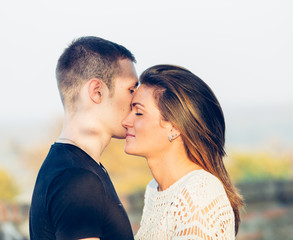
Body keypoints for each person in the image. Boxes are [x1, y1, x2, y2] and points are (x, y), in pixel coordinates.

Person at [29, 36, 138, 240]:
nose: (137, 100)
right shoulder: (77, 181)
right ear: (97, 91)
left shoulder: (70, 168)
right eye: (131, 90)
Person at [122, 64, 244, 240]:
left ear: (174, 127)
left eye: (139, 113)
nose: (126, 121)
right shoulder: (154, 191)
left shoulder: (199, 192)